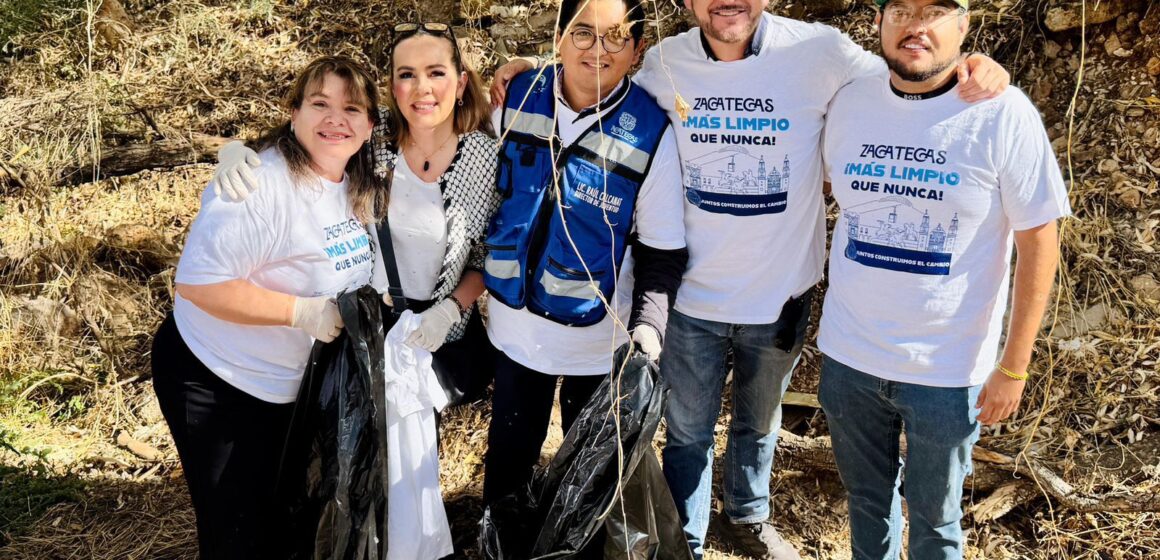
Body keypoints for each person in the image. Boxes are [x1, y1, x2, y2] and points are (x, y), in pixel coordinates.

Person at [491, 1, 1009, 557]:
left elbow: (905, 74)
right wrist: (530, 63)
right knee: (687, 433)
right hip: (691, 298)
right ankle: (686, 540)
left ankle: (746, 515)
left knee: (758, 424)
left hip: (779, 294)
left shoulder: (820, 52)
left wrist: (973, 62)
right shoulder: (664, 62)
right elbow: (593, 66)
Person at [817, 1, 1070, 558]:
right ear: (879, 23)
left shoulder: (1002, 113)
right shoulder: (848, 102)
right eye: (901, 10)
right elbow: (833, 189)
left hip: (947, 373)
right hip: (848, 357)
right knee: (865, 502)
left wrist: (1013, 367)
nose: (916, 26)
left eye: (934, 11)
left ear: (963, 26)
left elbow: (1039, 242)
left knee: (935, 521)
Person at [150, 56, 387, 559]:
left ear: (369, 126)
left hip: (291, 391)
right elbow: (198, 283)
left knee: (284, 524)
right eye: (319, 103)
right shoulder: (261, 183)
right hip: (219, 381)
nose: (335, 118)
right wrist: (302, 313)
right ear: (294, 112)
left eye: (351, 108)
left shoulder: (359, 179)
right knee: (236, 535)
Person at [480, 0, 688, 525]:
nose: (597, 49)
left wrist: (648, 331)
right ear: (558, 36)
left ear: (638, 49)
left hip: (597, 349)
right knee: (506, 474)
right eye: (582, 33)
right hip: (513, 336)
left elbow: (661, 254)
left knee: (587, 496)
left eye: (616, 36)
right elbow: (427, 132)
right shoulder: (512, 98)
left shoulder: (650, 134)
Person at [212, 23, 502, 395]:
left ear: (460, 84)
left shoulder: (484, 157)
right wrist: (238, 150)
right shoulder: (371, 132)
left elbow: (483, 256)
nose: (422, 88)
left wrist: (449, 312)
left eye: (436, 73)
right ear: (392, 85)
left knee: (416, 445)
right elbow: (303, 135)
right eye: (407, 75)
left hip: (434, 337)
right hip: (362, 327)